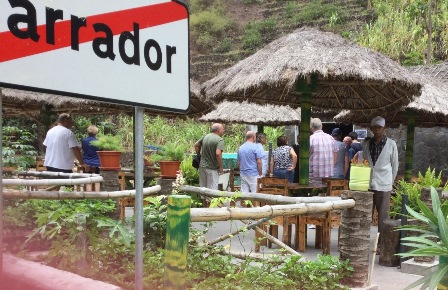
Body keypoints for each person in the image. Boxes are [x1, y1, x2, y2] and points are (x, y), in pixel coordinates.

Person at [361, 116, 398, 250]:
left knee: (383, 216)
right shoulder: (366, 144)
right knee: (365, 215)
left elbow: (395, 165)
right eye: (374, 128)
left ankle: (381, 245)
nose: (377, 130)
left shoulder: (391, 144)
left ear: (384, 128)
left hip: (384, 185)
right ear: (371, 129)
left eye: (379, 128)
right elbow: (364, 162)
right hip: (368, 184)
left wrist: (390, 182)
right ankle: (363, 243)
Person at [194, 123, 225, 190]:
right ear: (219, 130)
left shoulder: (205, 137)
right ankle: (210, 201)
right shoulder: (219, 140)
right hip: (212, 169)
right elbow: (218, 154)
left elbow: (196, 145)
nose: (223, 131)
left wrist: (198, 155)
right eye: (223, 129)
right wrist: (221, 167)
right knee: (212, 191)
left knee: (203, 190)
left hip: (202, 167)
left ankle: (204, 201)